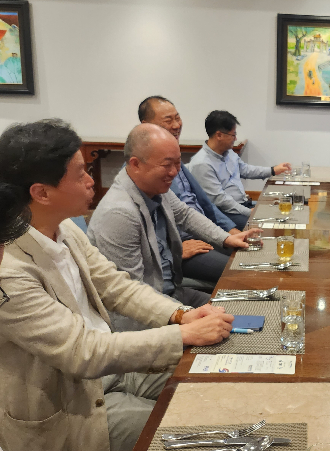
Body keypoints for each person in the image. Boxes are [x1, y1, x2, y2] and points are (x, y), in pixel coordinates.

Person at [0, 119, 235, 451]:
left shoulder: (64, 229)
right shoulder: (9, 270)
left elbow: (116, 285)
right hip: (71, 403)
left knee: (213, 379)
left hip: (112, 372)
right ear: (41, 192)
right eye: (80, 173)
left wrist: (181, 316)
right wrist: (182, 334)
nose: (91, 181)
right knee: (192, 430)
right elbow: (82, 351)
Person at [88, 123, 257, 331]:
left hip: (174, 294)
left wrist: (226, 238)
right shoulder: (119, 214)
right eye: (167, 165)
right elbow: (130, 295)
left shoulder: (155, 188)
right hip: (148, 317)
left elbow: (185, 214)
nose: (175, 172)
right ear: (135, 164)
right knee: (232, 330)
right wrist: (183, 316)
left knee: (250, 311)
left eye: (178, 164)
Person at [138, 95, 239, 286]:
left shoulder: (175, 160)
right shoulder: (144, 172)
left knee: (253, 257)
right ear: (146, 125)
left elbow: (204, 205)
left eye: (177, 118)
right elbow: (147, 227)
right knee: (240, 272)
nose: (176, 125)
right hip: (185, 247)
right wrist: (173, 248)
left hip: (204, 232)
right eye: (168, 120)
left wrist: (229, 231)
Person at [187, 110, 291, 230]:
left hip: (243, 204)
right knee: (270, 226)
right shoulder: (202, 164)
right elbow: (222, 201)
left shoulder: (228, 152)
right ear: (219, 135)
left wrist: (272, 170)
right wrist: (249, 212)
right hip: (226, 213)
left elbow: (245, 170)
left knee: (283, 213)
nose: (235, 138)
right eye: (233, 135)